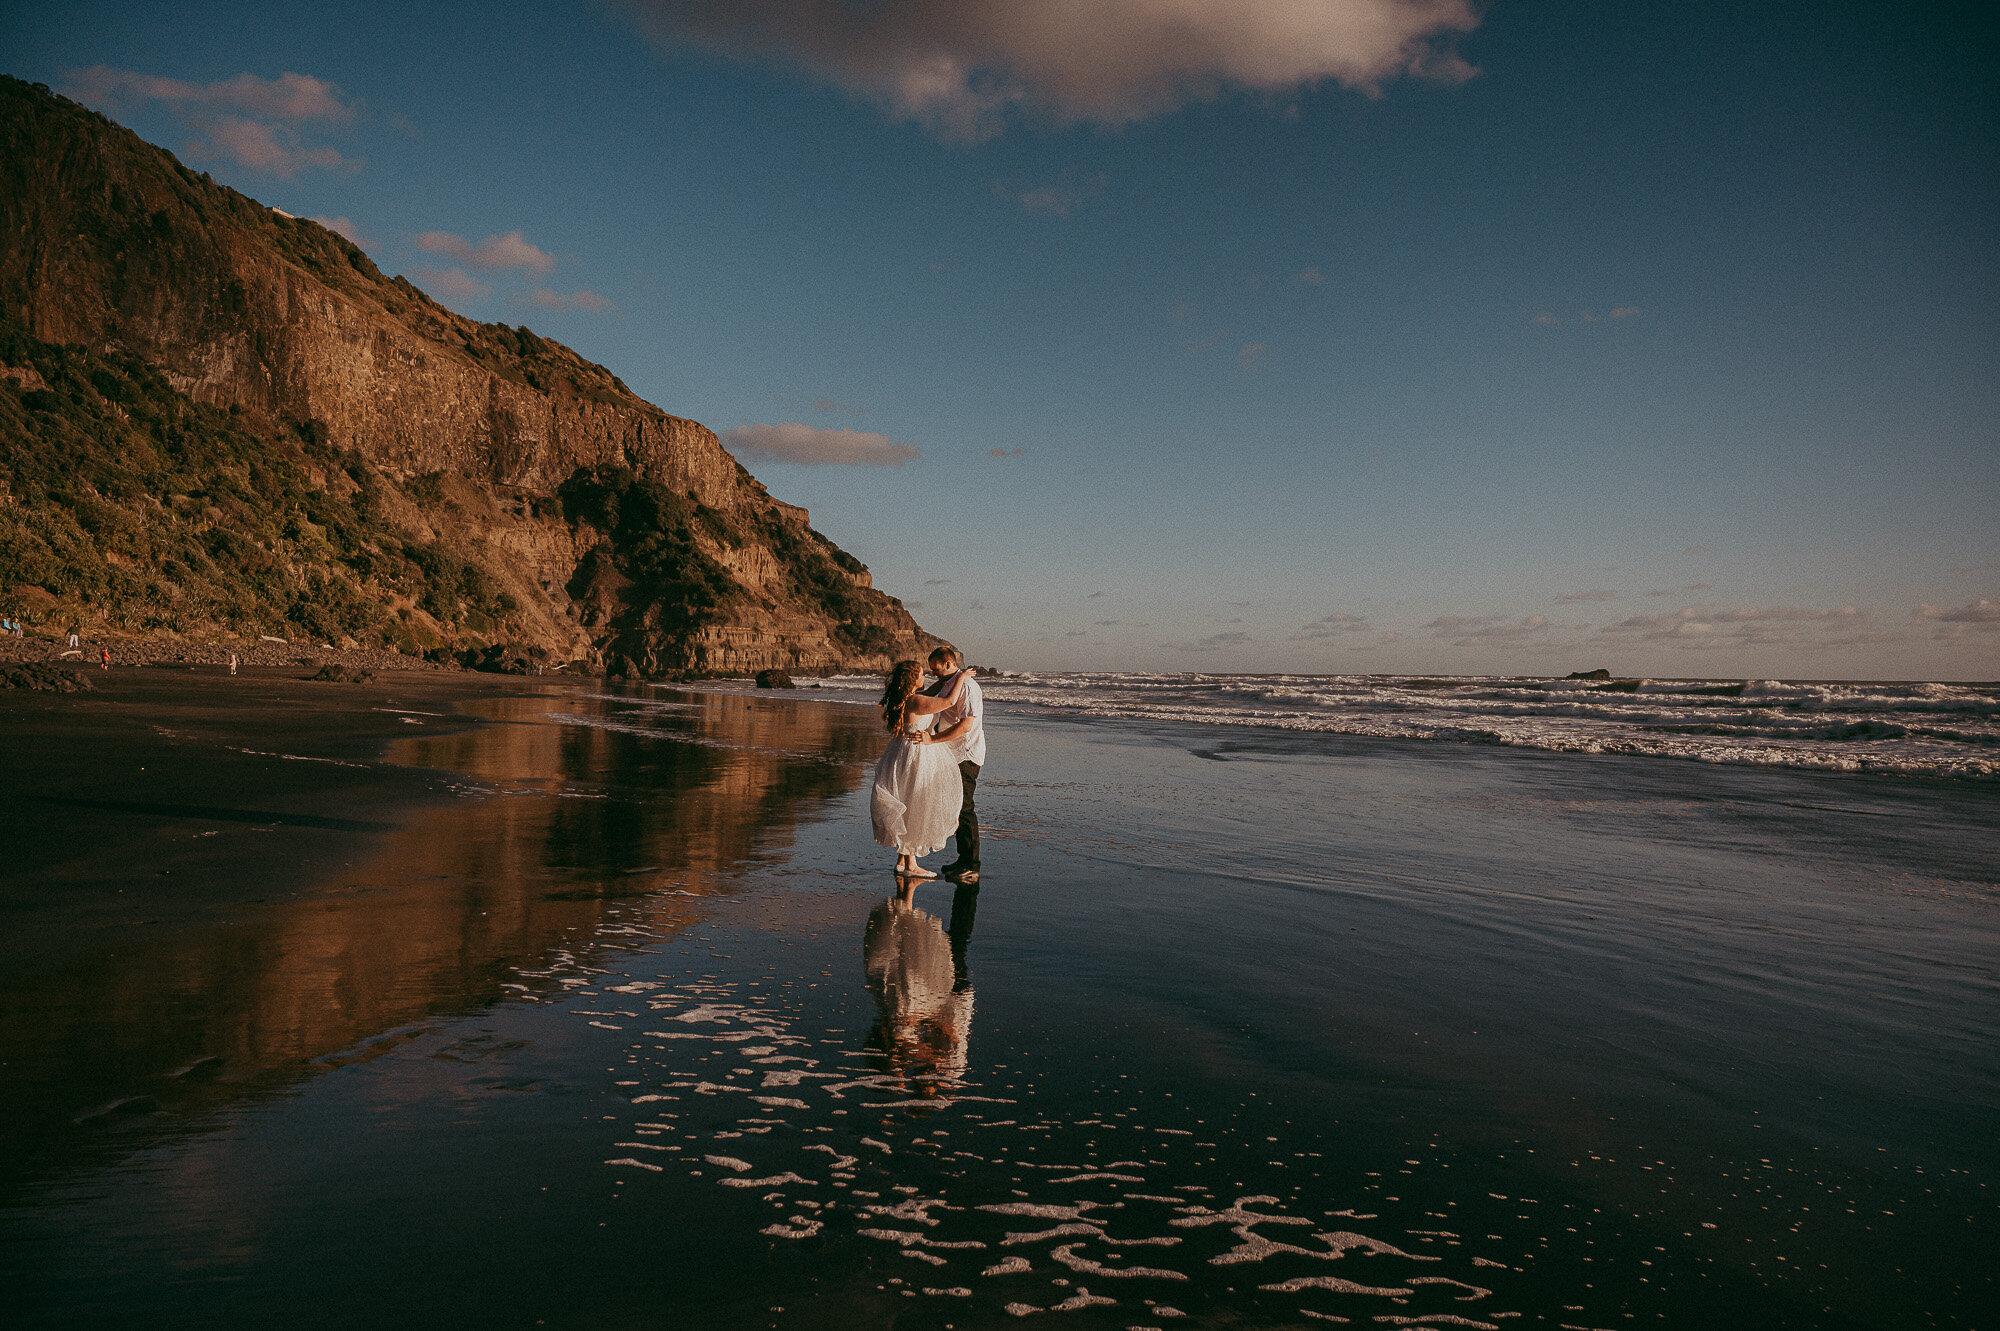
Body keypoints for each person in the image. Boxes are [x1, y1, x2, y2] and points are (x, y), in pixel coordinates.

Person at [870, 659, 976, 877]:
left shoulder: (907, 698)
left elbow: (933, 690)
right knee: (915, 802)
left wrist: (949, 678)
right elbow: (948, 701)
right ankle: (911, 865)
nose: (924, 677)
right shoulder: (917, 701)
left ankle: (902, 860)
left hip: (902, 749)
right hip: (917, 752)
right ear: (912, 679)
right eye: (920, 674)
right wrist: (962, 678)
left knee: (907, 799)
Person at [922, 644, 985, 884]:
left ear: (949, 663)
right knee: (957, 807)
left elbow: (966, 725)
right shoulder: (950, 682)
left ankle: (972, 865)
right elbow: (933, 694)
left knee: (965, 808)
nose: (934, 673)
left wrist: (933, 739)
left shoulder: (967, 686)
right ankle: (963, 859)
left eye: (936, 669)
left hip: (966, 754)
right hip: (952, 754)